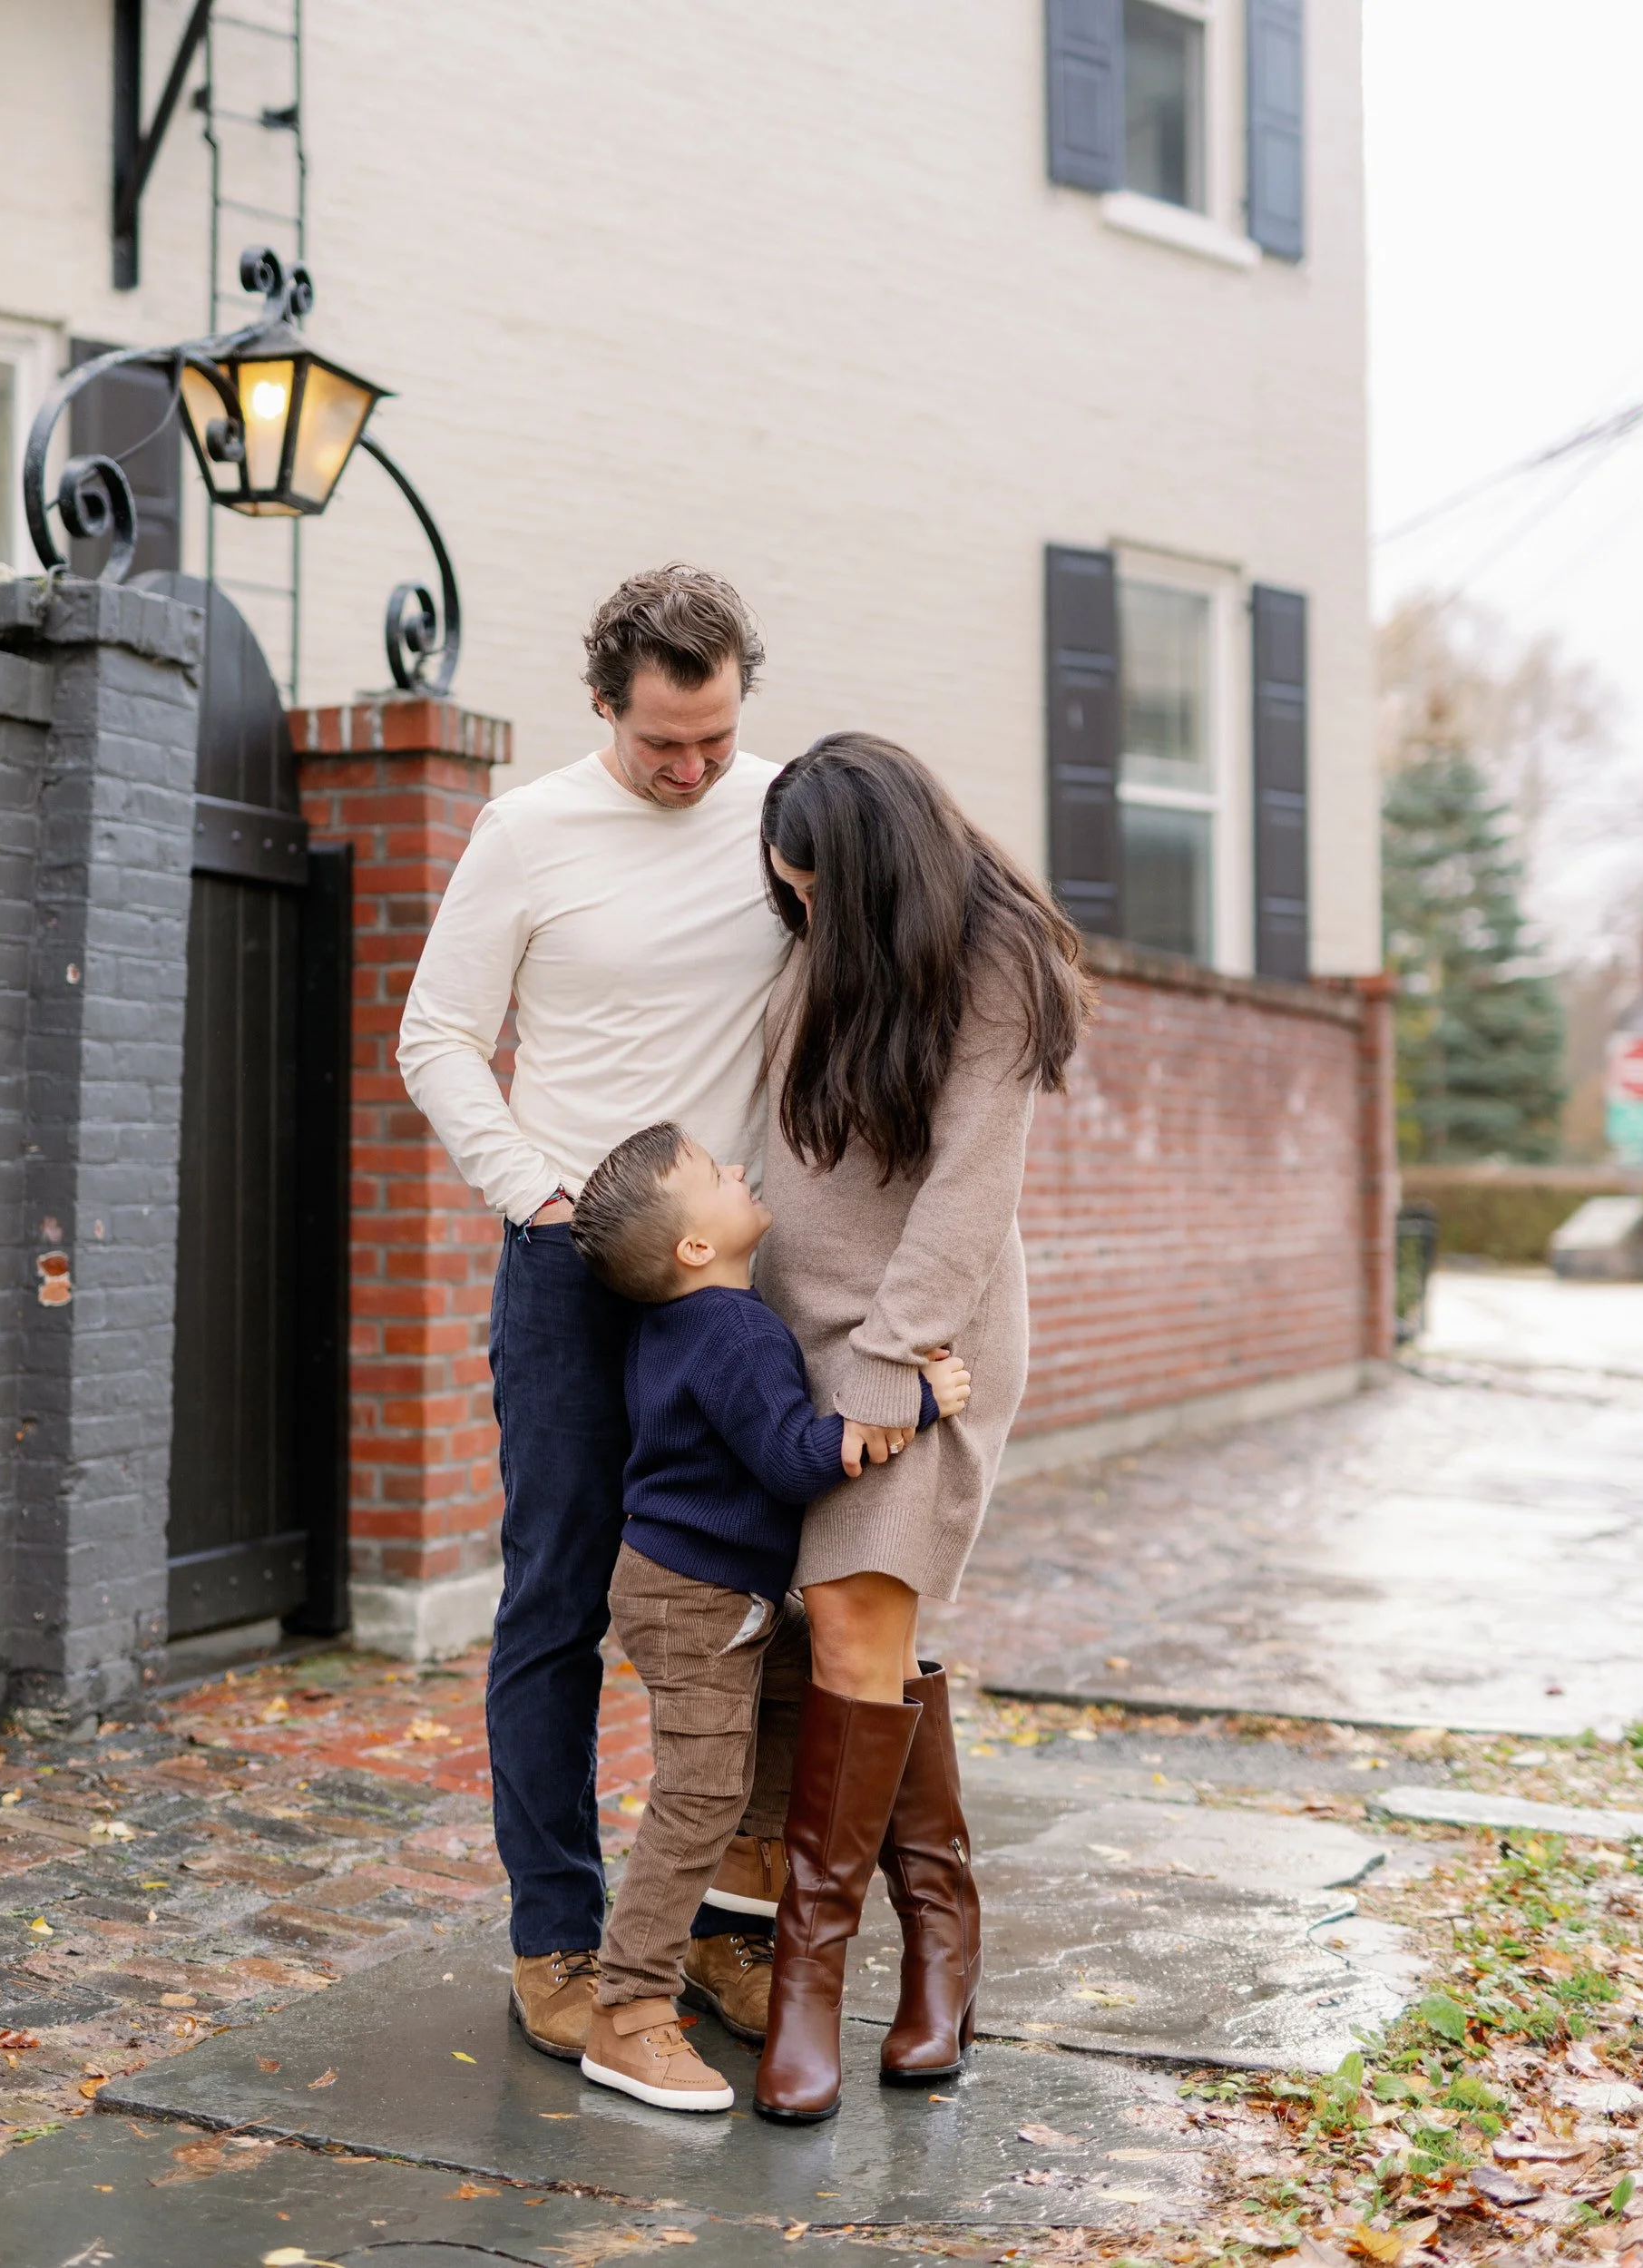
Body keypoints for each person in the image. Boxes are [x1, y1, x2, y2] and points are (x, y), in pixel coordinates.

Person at [397, 565, 814, 2062]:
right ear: (602, 708)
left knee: (754, 1614)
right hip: (573, 1276)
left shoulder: (782, 816)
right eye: (660, 746)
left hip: (735, 1287)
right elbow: (436, 1031)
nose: (690, 770)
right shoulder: (526, 833)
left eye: (711, 739)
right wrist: (534, 1191)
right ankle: (558, 1945)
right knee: (561, 1602)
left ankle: (711, 1932)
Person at [749, 733, 1093, 2124]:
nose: (808, 922)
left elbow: (967, 1191)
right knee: (882, 1643)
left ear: (879, 871)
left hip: (921, 1340)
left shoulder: (999, 960)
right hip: (801, 1333)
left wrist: (889, 1368)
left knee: (851, 1627)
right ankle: (945, 1943)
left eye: (823, 895)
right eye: (793, 899)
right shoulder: (822, 936)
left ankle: (809, 1981)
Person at [563, 1121, 969, 2110]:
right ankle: (627, 2007)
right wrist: (917, 1401)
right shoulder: (735, 1330)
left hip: (697, 1590)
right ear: (695, 1247)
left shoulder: (682, 1322)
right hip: (693, 1600)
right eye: (715, 1172)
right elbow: (792, 1458)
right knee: (697, 1790)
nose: (739, 1168)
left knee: (820, 1683)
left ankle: (758, 1860)